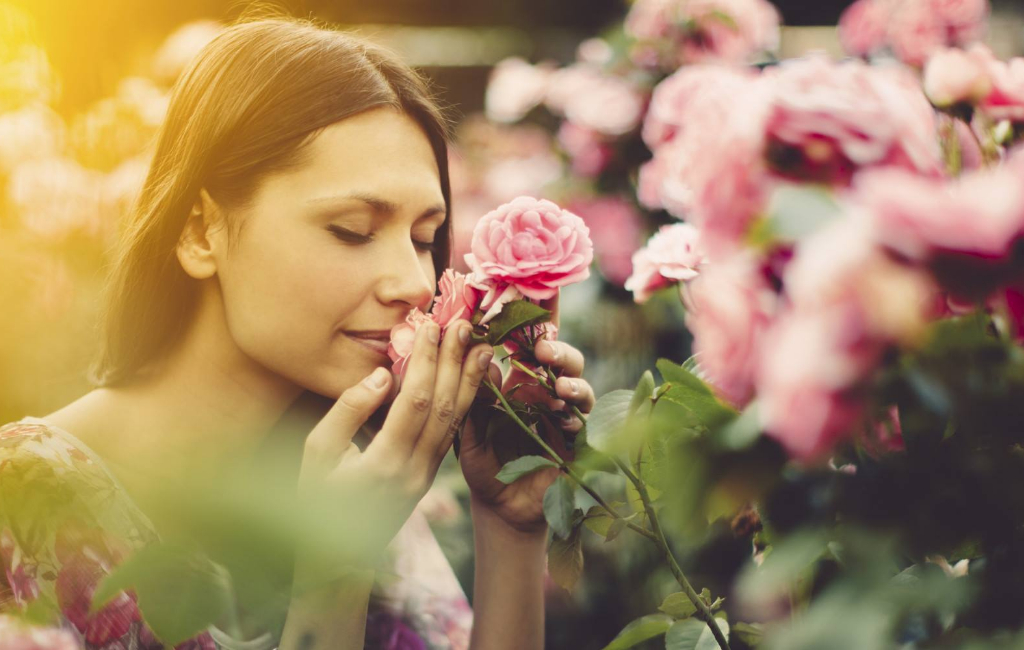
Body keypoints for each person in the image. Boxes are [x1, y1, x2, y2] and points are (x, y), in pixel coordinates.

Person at [0, 15, 596, 650]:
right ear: (201, 232)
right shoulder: (24, 508)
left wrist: (511, 528)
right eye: (352, 230)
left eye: (424, 239)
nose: (416, 283)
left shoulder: (357, 484)